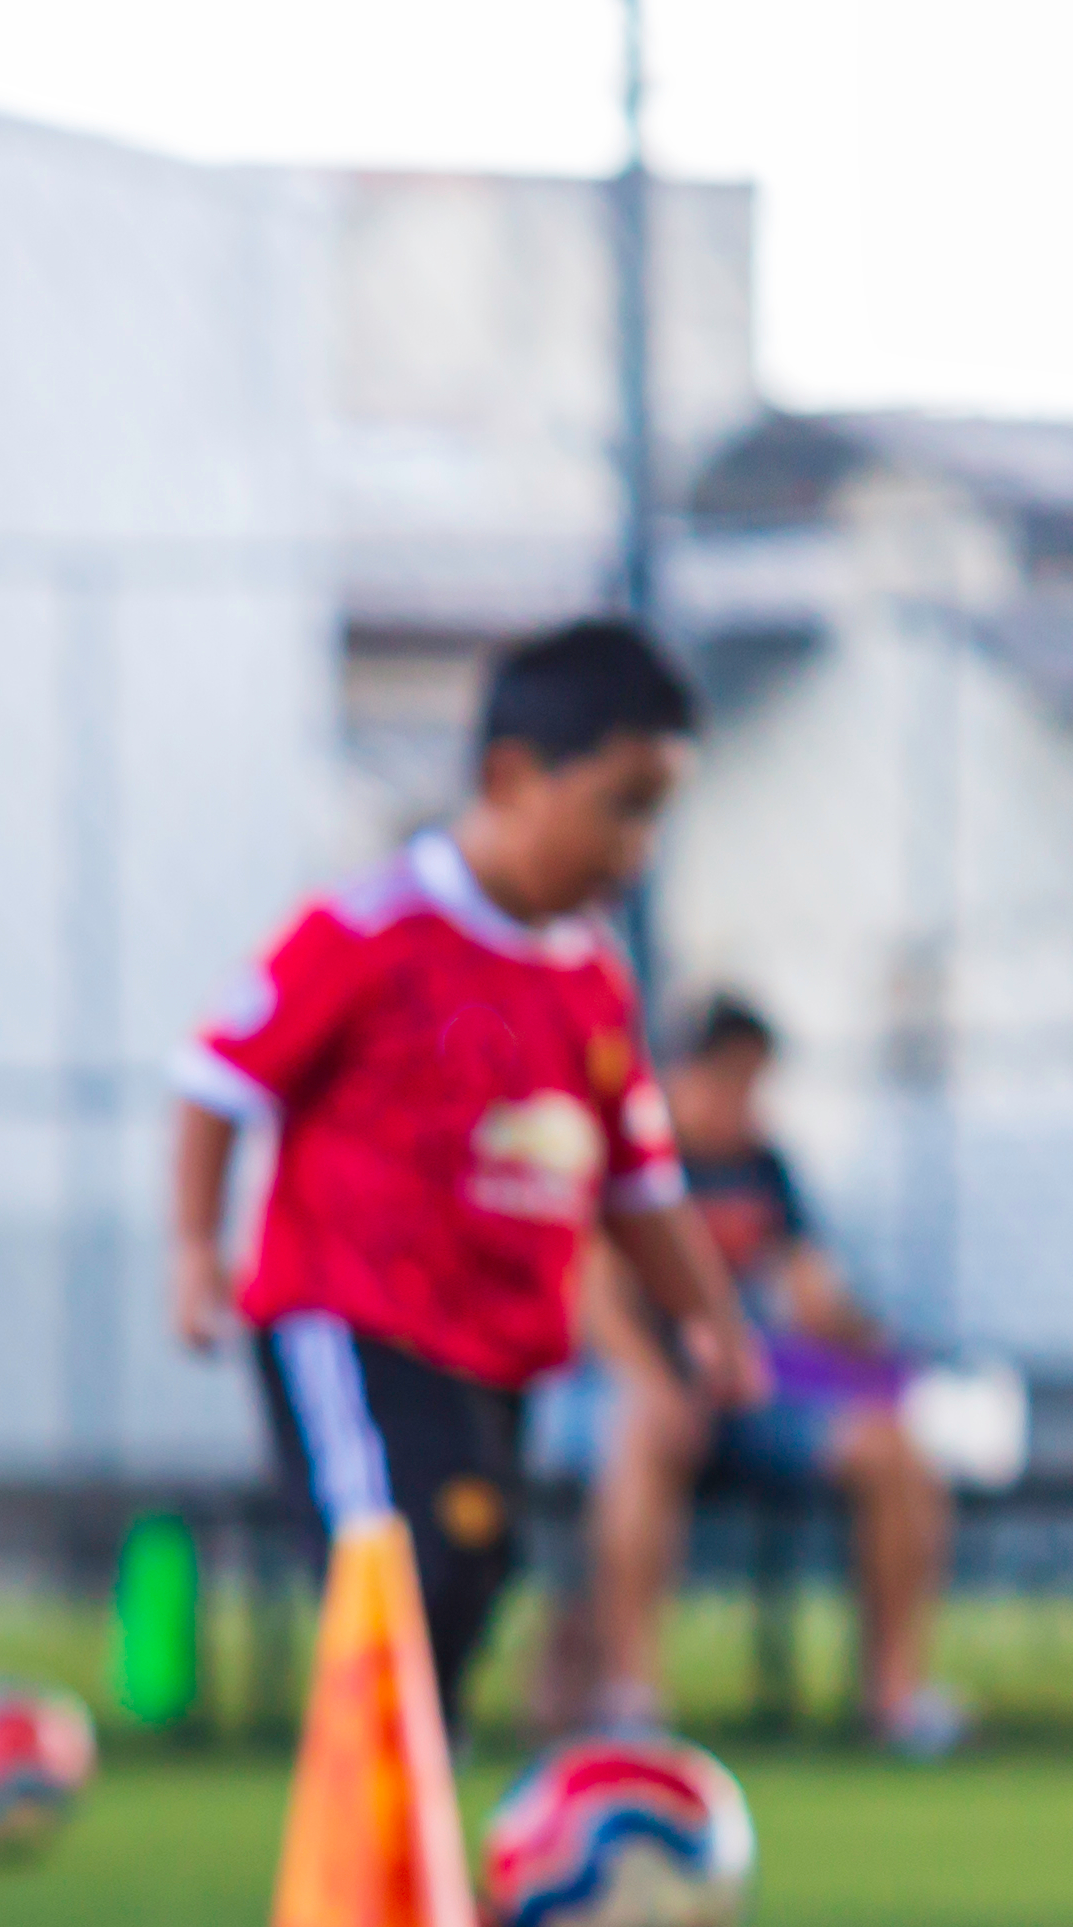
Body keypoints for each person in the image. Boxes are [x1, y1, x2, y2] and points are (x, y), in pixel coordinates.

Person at [167, 615, 760, 1750]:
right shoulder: (370, 929)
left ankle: (411, 1873)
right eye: (622, 806)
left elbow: (639, 1185)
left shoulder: (592, 980)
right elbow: (214, 1080)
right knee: (399, 1572)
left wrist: (713, 1321)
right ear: (512, 777)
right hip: (351, 1321)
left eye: (658, 816)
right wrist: (195, 1247)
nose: (636, 849)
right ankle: (367, 1881)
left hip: (494, 1343)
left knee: (471, 1575)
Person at [567, 996, 959, 1754]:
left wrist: (864, 1342)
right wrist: (657, 1383)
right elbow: (596, 1302)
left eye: (756, 1085)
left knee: (895, 1452)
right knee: (647, 1430)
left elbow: (808, 1296)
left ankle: (897, 1694)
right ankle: (633, 1695)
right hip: (640, 1396)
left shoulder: (764, 1170)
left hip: (754, 1394)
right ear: (681, 1076)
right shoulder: (636, 1164)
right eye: (731, 1081)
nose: (744, 1102)